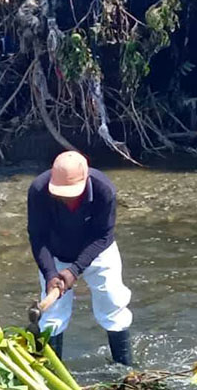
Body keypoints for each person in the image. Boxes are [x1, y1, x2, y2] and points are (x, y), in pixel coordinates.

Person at [27, 150, 133, 365]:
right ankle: (52, 374)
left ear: (85, 180)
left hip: (98, 252)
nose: (66, 197)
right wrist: (50, 274)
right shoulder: (38, 190)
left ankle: (126, 370)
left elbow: (103, 236)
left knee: (112, 303)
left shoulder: (104, 190)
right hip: (56, 254)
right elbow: (38, 236)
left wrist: (75, 270)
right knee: (53, 316)